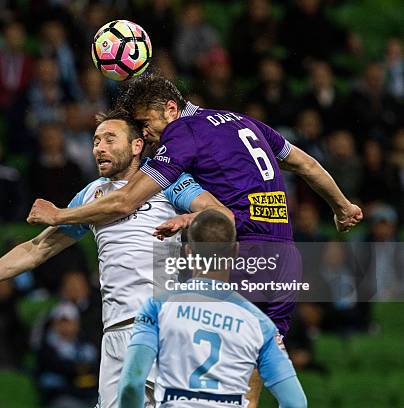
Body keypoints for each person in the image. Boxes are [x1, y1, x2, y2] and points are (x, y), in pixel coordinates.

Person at [26, 73, 361, 406]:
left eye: (146, 122)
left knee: (202, 356)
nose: (144, 132)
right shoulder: (245, 122)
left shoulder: (182, 135)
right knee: (256, 359)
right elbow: (307, 164)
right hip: (283, 258)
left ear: (171, 109)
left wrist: (59, 215)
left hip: (239, 252)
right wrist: (342, 206)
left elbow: (126, 200)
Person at [0, 109, 229, 408]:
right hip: (115, 330)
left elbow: (220, 216)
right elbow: (36, 249)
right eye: (96, 141)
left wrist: (188, 219)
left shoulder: (167, 179)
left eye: (110, 139)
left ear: (137, 146)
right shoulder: (91, 195)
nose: (99, 147)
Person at [118, 210, 307, 408]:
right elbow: (296, 402)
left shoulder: (157, 307)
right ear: (235, 251)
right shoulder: (260, 324)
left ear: (189, 252)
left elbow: (132, 383)